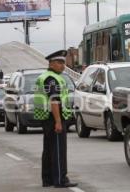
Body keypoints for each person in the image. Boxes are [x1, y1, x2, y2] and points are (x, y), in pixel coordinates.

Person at [34, 50, 78, 188]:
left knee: (48, 150)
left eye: (63, 63)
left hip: (46, 118)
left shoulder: (46, 77)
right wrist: (58, 121)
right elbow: (54, 100)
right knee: (58, 150)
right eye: (59, 62)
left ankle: (47, 179)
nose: (63, 66)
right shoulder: (52, 79)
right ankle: (60, 179)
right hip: (54, 118)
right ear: (51, 63)